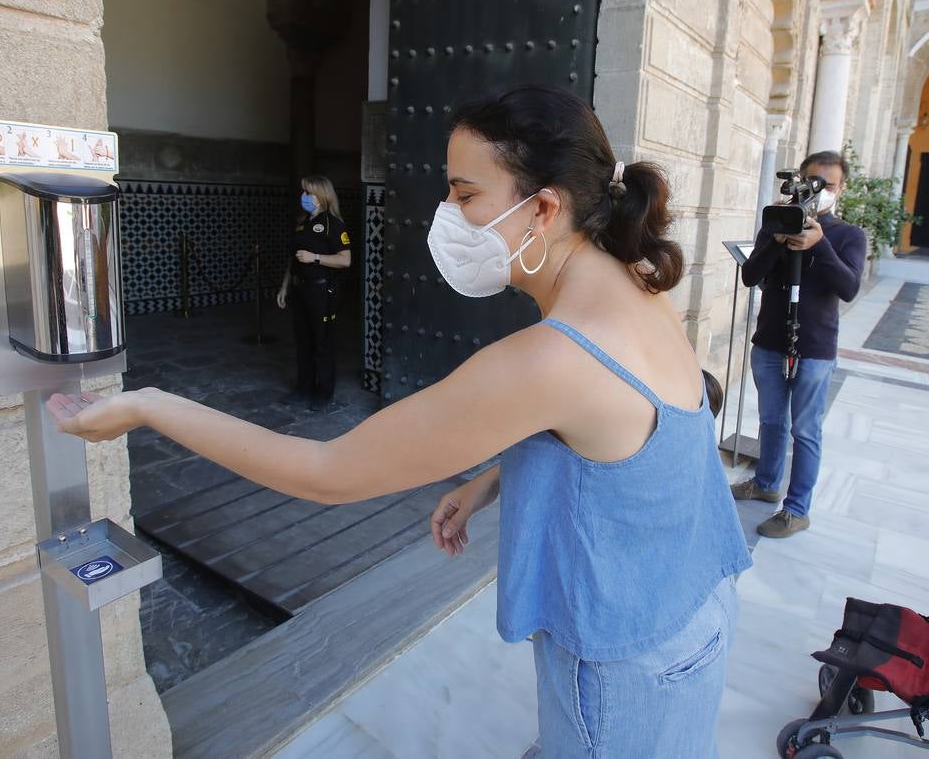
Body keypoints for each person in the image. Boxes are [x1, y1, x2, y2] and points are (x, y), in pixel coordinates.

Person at [49, 85, 751, 758]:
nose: (445, 210)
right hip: (692, 608)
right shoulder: (637, 287)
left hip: (626, 661)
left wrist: (149, 405)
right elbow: (621, 443)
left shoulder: (552, 357)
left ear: (542, 209)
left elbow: (325, 472)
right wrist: (489, 480)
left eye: (466, 193)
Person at [731, 150, 866, 538]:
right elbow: (750, 274)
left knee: (806, 430)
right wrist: (775, 240)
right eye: (812, 182)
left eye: (828, 185)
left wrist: (819, 245)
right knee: (772, 421)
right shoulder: (776, 221)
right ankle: (766, 483)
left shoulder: (848, 235)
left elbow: (849, 287)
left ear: (840, 189)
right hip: (771, 341)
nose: (818, 191)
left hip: (815, 346)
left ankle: (797, 509)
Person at [276, 175, 351, 404]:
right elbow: (294, 259)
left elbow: (345, 260)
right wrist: (285, 286)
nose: (303, 197)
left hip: (321, 292)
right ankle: (303, 388)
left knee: (322, 343)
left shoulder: (334, 224)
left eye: (307, 193)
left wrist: (315, 258)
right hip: (300, 291)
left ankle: (324, 392)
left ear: (320, 196)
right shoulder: (303, 223)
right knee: (303, 341)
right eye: (303, 193)